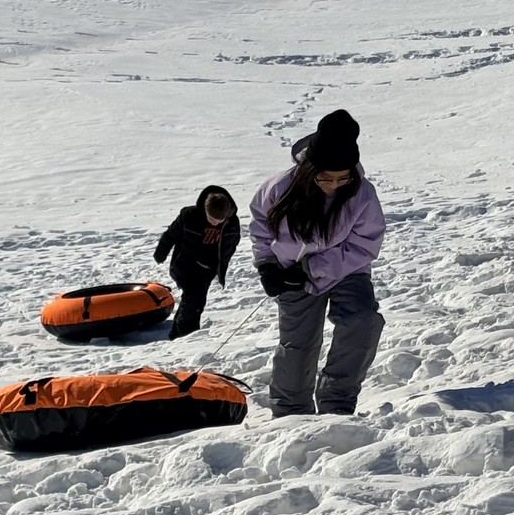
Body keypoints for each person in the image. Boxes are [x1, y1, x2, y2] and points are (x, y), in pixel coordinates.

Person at [249, 109, 385, 417]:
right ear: (310, 168)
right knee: (298, 345)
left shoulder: (362, 193)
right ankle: (290, 413)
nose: (333, 185)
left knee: (362, 321)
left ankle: (337, 401)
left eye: (342, 178)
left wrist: (313, 268)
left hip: (346, 270)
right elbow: (260, 226)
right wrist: (267, 265)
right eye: (325, 177)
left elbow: (365, 244)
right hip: (290, 273)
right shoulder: (280, 187)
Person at [154, 185, 241, 340]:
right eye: (211, 219)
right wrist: (161, 253)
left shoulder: (231, 224)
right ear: (205, 210)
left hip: (208, 269)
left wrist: (221, 265)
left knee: (196, 301)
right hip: (185, 263)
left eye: (219, 221)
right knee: (193, 299)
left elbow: (231, 244)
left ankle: (180, 332)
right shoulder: (189, 216)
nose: (215, 223)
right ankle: (185, 335)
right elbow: (170, 234)